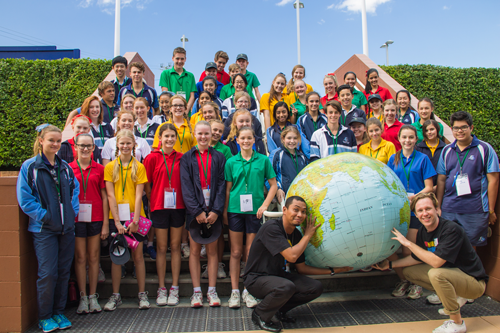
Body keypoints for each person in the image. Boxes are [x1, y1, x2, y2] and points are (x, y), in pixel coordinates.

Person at [373, 192, 489, 333]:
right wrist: (390, 265)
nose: (425, 213)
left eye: (428, 209)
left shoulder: (451, 229)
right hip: (453, 278)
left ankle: (457, 323)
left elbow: (436, 262)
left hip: (474, 282)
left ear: (437, 210)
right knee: (410, 272)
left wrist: (408, 243)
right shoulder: (423, 232)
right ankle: (455, 297)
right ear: (416, 214)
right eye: (420, 211)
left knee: (436, 273)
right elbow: (417, 258)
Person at [244, 196, 350, 332]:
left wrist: (333, 270)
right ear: (284, 210)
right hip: (255, 279)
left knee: (314, 287)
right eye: (296, 210)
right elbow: (292, 256)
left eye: (304, 212)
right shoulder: (271, 228)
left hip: (277, 277)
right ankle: (260, 314)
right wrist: (308, 235)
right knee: (286, 287)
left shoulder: (296, 236)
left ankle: (278, 310)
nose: (300, 215)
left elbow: (302, 268)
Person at [17, 124, 79, 332]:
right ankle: (45, 316)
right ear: (41, 141)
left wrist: (71, 214)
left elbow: (74, 193)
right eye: (51, 140)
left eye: (58, 141)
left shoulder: (65, 167)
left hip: (66, 228)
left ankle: (58, 312)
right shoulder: (30, 167)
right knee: (47, 273)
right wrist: (45, 217)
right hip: (44, 230)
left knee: (63, 272)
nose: (55, 144)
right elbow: (25, 199)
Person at [224, 126, 278, 309]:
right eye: (242, 138)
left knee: (250, 253)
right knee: (235, 252)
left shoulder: (263, 160)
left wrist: (264, 205)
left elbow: (273, 185)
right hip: (235, 211)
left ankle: (248, 291)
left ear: (254, 140)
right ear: (237, 140)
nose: (246, 141)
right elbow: (228, 189)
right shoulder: (231, 162)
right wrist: (225, 211)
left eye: (249, 138)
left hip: (255, 212)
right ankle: (234, 292)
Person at [180, 121, 227, 307]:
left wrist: (216, 210)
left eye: (206, 133)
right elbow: (186, 186)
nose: (203, 137)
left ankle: (212, 291)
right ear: (194, 134)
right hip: (195, 212)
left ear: (211, 135)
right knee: (194, 251)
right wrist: (197, 211)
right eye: (200, 133)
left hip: (213, 211)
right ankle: (197, 292)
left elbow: (222, 185)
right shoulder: (187, 158)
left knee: (212, 251)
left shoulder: (218, 157)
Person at [437, 111, 499, 248]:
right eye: (456, 128)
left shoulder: (484, 149)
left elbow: (493, 180)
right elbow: (441, 180)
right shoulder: (447, 151)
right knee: (449, 246)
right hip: (449, 209)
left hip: (475, 209)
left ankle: (469, 271)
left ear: (471, 128)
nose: (460, 131)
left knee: (471, 248)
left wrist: (491, 210)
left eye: (463, 127)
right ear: (452, 129)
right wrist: (438, 206)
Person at [387, 125, 436, 299]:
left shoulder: (423, 159)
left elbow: (429, 187)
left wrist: (413, 198)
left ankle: (416, 283)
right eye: (404, 137)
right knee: (391, 248)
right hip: (398, 211)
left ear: (416, 139)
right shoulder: (393, 159)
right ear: (399, 139)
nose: (407, 141)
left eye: (411, 137)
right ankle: (404, 280)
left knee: (409, 250)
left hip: (415, 211)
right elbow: (389, 184)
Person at [103, 130, 150, 311]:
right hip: (117, 218)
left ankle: (142, 294)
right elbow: (110, 195)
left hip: (134, 218)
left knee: (138, 256)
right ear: (117, 145)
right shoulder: (109, 167)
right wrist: (116, 222)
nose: (125, 146)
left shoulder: (139, 167)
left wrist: (136, 220)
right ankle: (115, 296)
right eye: (122, 143)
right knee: (117, 256)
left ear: (134, 145)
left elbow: (140, 196)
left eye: (128, 143)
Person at [143, 123, 185, 306]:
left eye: (172, 136)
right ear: (160, 138)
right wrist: (153, 200)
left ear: (176, 138)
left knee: (175, 246)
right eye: (166, 136)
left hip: (178, 207)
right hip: (159, 207)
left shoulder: (182, 158)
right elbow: (147, 183)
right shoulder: (152, 158)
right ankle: (161, 288)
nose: (169, 139)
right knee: (161, 248)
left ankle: (174, 287)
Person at [70, 133, 108, 315]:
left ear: (94, 148)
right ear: (75, 147)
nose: (85, 149)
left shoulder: (99, 169)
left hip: (95, 218)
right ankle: (83, 297)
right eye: (82, 146)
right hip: (77, 219)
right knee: (80, 258)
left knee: (93, 258)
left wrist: (106, 224)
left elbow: (104, 196)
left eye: (89, 146)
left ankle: (93, 296)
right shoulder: (68, 169)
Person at [272, 127, 308, 203]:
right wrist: (278, 189)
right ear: (283, 138)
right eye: (289, 138)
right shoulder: (277, 154)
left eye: (295, 138)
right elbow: (271, 176)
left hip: (301, 195)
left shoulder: (302, 156)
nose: (292, 141)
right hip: (285, 195)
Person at [159, 47, 197, 112]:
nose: (179, 61)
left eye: (182, 59)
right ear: (172, 58)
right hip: (171, 112)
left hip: (186, 113)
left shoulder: (190, 76)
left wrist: (186, 110)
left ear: (185, 59)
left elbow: (192, 96)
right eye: (177, 58)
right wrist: (173, 110)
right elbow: (165, 93)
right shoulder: (165, 74)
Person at [415, 119, 446, 187]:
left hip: (441, 186)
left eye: (432, 129)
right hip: (423, 186)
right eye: (426, 130)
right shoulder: (418, 148)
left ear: (437, 130)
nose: (429, 132)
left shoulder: (445, 149)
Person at [296, 92, 327, 159]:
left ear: (319, 103)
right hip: (309, 158)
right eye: (311, 101)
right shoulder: (301, 120)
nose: (314, 104)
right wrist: (311, 155)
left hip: (325, 156)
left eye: (316, 101)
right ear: (306, 103)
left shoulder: (325, 118)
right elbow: (302, 139)